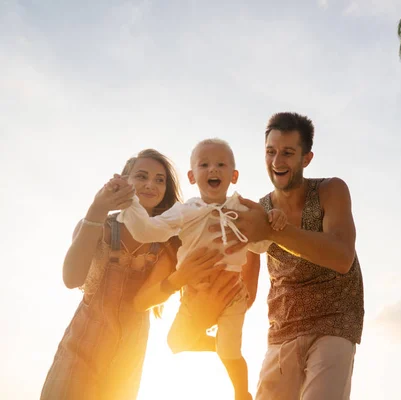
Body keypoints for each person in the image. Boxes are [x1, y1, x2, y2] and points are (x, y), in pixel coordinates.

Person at [41, 149, 241, 400]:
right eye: (142, 176)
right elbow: (72, 279)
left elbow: (150, 297)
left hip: (128, 355)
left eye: (160, 180)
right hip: (81, 346)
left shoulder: (170, 242)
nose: (151, 185)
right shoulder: (98, 225)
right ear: (124, 181)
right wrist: (96, 209)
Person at [117, 139, 286, 400]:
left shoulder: (242, 209)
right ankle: (217, 344)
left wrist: (273, 220)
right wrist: (130, 202)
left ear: (234, 175)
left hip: (232, 293)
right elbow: (147, 230)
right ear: (192, 176)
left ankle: (242, 393)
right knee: (175, 342)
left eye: (221, 164)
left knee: (232, 354)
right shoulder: (186, 211)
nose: (213, 170)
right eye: (204, 164)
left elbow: (263, 245)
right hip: (195, 290)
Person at [212, 113, 365, 400]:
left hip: (335, 320)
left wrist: (274, 231)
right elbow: (247, 287)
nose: (277, 161)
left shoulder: (331, 190)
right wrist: (217, 309)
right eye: (270, 152)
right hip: (282, 328)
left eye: (287, 153)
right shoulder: (258, 209)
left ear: (306, 159)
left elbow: (342, 256)